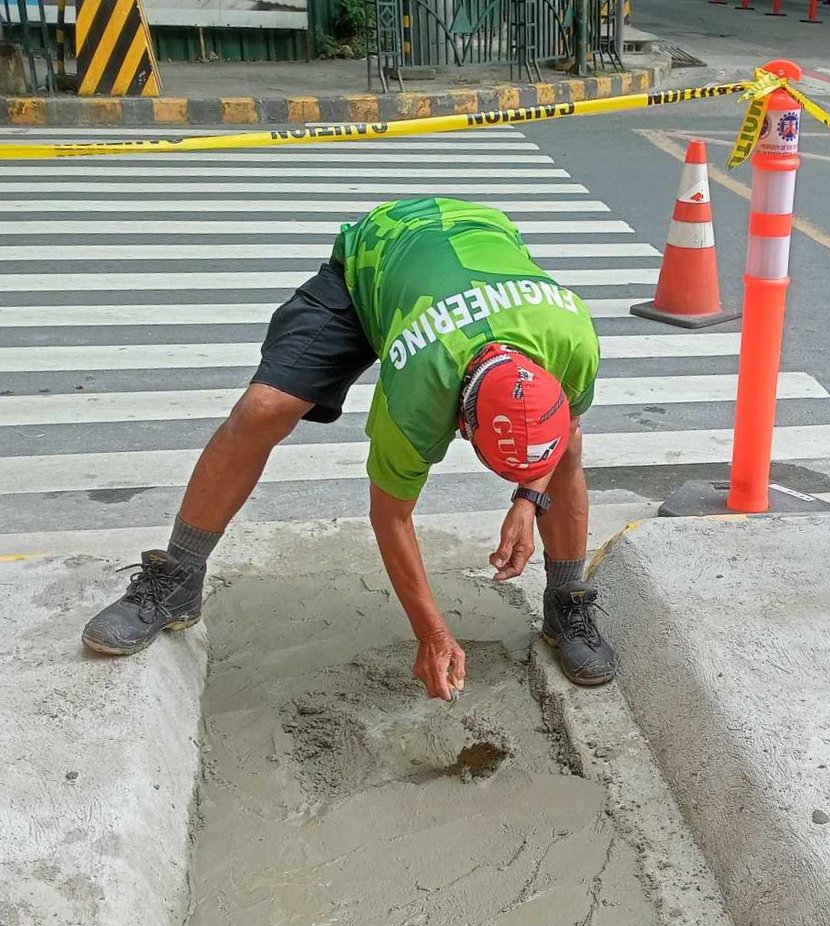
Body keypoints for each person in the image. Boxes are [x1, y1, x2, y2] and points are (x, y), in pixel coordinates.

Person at [82, 197, 615, 700]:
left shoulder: (573, 341)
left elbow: (560, 434)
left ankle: (566, 601)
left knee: (568, 458)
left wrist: (528, 502)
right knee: (262, 410)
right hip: (375, 261)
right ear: (461, 420)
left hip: (476, 240)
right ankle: (175, 579)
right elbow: (392, 515)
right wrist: (431, 633)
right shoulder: (418, 392)